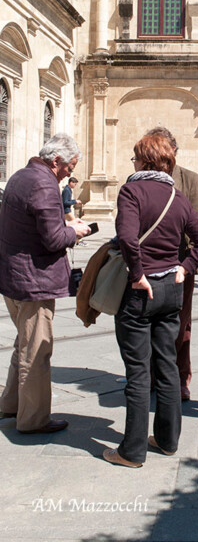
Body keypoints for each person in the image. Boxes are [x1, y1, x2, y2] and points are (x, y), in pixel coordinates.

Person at [103, 134, 198, 468]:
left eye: (136, 158)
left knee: (138, 372)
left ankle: (132, 452)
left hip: (141, 291)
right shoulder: (177, 196)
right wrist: (185, 268)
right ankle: (167, 441)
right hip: (171, 290)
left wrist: (137, 273)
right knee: (167, 367)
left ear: (145, 161)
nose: (133, 164)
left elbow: (126, 237)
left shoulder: (131, 190)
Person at [0, 133, 90, 433]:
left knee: (22, 344)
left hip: (13, 276)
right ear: (56, 161)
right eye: (70, 166)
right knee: (36, 351)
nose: (70, 172)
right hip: (33, 281)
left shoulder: (19, 176)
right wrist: (77, 231)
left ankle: (11, 404)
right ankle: (33, 419)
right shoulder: (44, 184)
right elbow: (53, 239)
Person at [146, 127, 198, 402]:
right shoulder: (139, 181)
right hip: (146, 268)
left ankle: (180, 377)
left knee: (182, 326)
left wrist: (189, 266)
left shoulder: (190, 180)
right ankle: (148, 375)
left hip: (179, 267)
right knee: (145, 325)